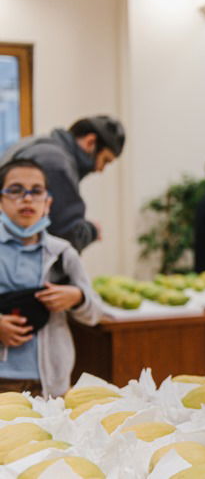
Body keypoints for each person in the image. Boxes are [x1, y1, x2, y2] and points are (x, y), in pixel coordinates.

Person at [0, 158, 103, 397]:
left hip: (49, 383)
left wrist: (77, 298)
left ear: (48, 203)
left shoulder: (63, 253)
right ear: (1, 201)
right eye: (15, 190)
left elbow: (95, 312)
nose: (27, 198)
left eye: (36, 191)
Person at [1, 116, 125, 253]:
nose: (100, 169)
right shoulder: (56, 164)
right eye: (105, 160)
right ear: (90, 142)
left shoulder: (35, 144)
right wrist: (93, 230)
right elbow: (66, 237)